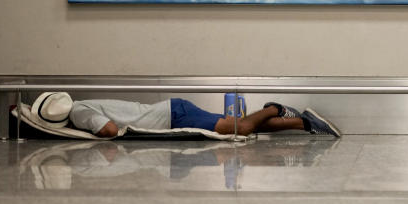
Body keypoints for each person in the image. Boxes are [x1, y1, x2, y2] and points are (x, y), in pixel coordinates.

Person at [31, 91, 341, 138]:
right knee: (238, 127)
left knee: (241, 129)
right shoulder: (83, 104)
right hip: (172, 112)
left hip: (174, 117)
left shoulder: (80, 113)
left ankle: (274, 108)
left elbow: (110, 131)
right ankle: (302, 122)